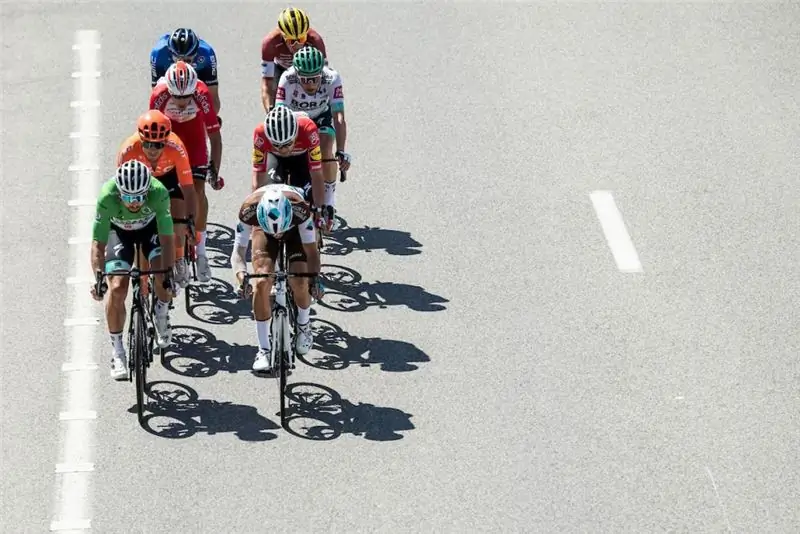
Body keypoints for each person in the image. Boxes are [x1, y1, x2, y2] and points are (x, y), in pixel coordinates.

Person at [90, 160, 176, 380]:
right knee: (117, 287)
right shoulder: (107, 197)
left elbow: (167, 239)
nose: (134, 203)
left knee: (161, 273)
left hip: (151, 230)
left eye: (139, 197)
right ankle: (117, 351)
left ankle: (162, 311)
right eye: (128, 197)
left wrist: (168, 272)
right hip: (119, 233)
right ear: (119, 194)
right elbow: (98, 244)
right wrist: (99, 278)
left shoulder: (158, 192)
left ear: (147, 191)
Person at [231, 183, 322, 372]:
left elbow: (312, 253)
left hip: (295, 229)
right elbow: (238, 253)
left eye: (279, 230)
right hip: (262, 230)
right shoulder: (249, 210)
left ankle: (304, 324)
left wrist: (315, 281)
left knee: (300, 279)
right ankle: (263, 349)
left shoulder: (300, 209)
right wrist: (242, 279)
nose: (277, 234)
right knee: (262, 282)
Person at [150, 60, 223, 282]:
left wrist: (214, 170)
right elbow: (151, 132)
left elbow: (215, 137)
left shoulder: (201, 94)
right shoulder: (159, 95)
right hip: (169, 138)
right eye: (177, 97)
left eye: (186, 97)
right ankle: (179, 255)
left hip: (193, 139)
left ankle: (201, 253)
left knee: (198, 191)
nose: (181, 102)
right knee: (168, 195)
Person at [117, 110, 198, 288]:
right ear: (140, 139)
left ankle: (178, 259)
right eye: (147, 144)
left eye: (159, 145)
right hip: (141, 183)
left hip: (169, 178)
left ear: (166, 141)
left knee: (177, 219)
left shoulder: (176, 147)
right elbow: (121, 187)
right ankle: (143, 285)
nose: (153, 150)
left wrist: (191, 221)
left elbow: (189, 190)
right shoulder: (128, 150)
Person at [276, 46, 351, 225]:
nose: (310, 84)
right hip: (295, 118)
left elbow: (338, 117)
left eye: (315, 79)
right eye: (305, 80)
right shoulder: (287, 78)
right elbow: (280, 114)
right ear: (297, 74)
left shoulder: (332, 77)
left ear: (321, 73)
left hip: (320, 117)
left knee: (325, 148)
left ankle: (329, 200)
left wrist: (340, 150)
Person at [260, 7, 327, 113]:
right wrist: (271, 111)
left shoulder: (315, 40)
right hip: (281, 69)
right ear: (282, 36)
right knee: (274, 91)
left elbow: (325, 76)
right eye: (291, 41)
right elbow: (267, 82)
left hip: (307, 70)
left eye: (301, 39)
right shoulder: (270, 43)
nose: (297, 45)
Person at [150, 28, 222, 115]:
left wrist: (211, 120)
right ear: (170, 53)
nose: (183, 64)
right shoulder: (158, 54)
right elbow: (156, 94)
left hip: (198, 72)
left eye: (188, 60)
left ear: (196, 53)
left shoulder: (207, 54)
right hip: (167, 72)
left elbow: (213, 97)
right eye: (177, 59)